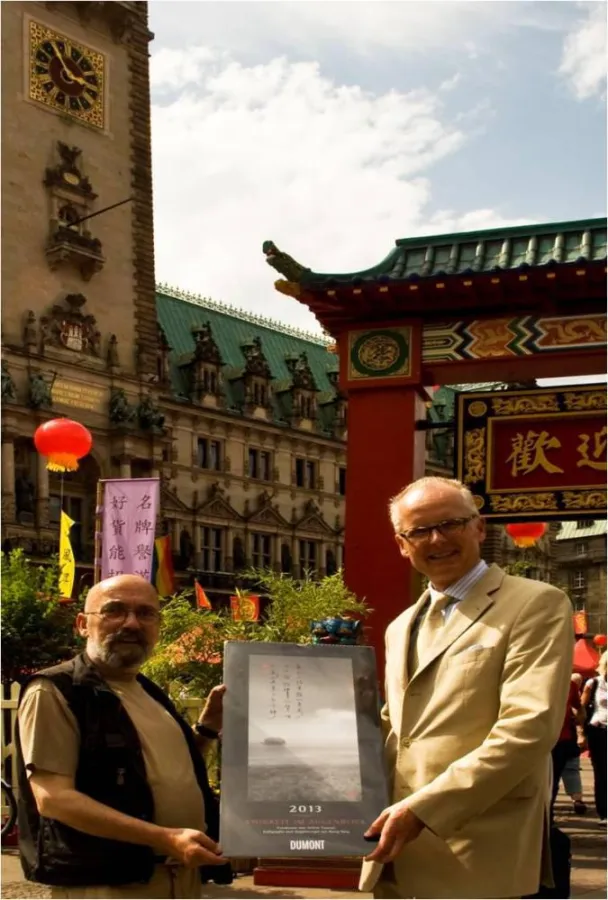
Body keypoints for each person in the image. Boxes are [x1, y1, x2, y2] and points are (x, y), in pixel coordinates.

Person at [360, 476, 573, 900]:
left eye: (451, 524)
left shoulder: (536, 603)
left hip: (482, 848)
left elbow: (529, 727)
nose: (436, 539)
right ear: (402, 544)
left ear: (478, 527)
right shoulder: (400, 626)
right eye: (419, 531)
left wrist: (423, 808)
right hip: (395, 851)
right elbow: (394, 726)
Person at [15, 574, 231, 899]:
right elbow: (54, 799)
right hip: (111, 885)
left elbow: (172, 773)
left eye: (145, 613)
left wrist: (207, 728)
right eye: (114, 611)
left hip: (180, 879)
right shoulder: (58, 690)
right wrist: (166, 838)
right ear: (82, 624)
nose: (131, 623)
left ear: (158, 625)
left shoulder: (147, 691)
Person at [550, 672, 585, 821]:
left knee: (554, 781)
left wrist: (579, 723)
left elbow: (579, 707)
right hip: (540, 740)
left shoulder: (569, 685)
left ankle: (548, 815)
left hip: (562, 740)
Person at [580, 650, 607, 824]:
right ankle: (604, 813)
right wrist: (581, 733)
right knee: (602, 773)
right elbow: (581, 709)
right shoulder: (594, 683)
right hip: (599, 732)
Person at [560, 674, 587, 815]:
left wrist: (579, 727)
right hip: (546, 740)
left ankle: (577, 799)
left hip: (566, 738)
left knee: (571, 768)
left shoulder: (569, 685)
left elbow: (579, 708)